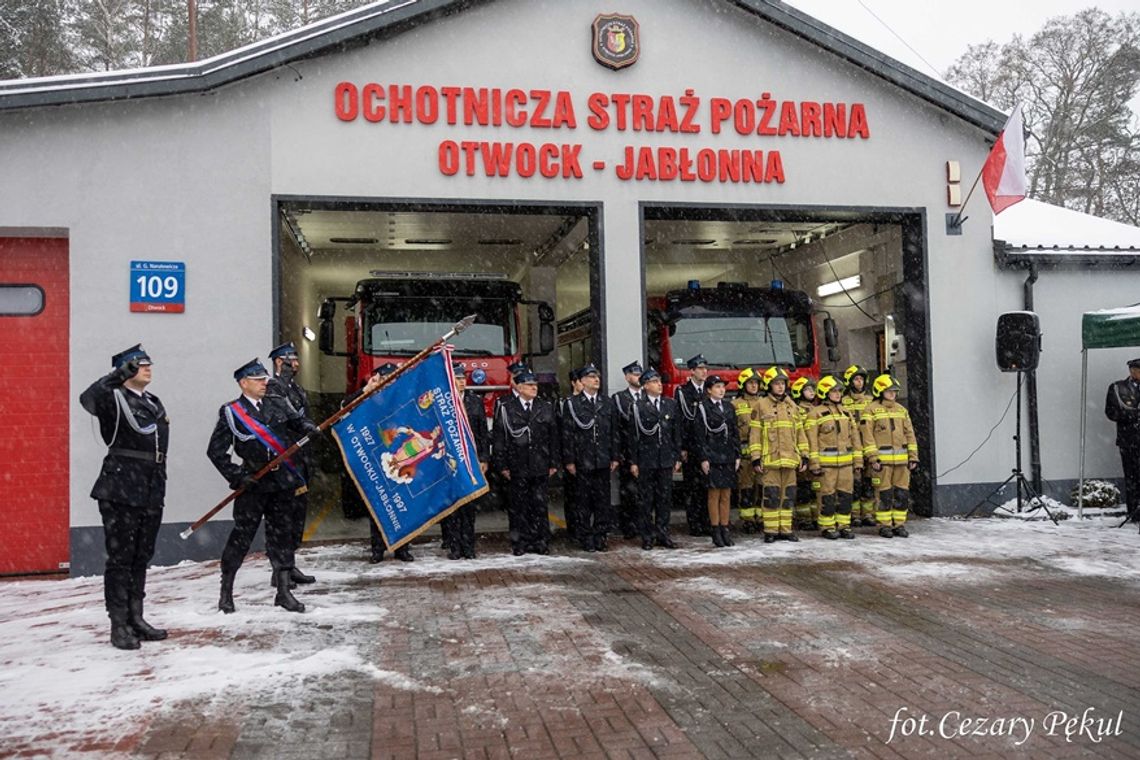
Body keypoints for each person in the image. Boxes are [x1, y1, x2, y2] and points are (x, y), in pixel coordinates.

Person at [208, 359, 319, 613]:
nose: (264, 383)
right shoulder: (232, 412)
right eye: (258, 380)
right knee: (242, 536)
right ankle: (226, 591)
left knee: (282, 535)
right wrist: (236, 476)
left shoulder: (277, 402)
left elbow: (296, 422)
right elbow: (215, 451)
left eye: (265, 379)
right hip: (254, 482)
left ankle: (283, 591)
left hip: (282, 482)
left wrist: (308, 428)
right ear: (243, 383)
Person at [79, 344, 170, 650]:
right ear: (125, 369)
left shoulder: (154, 402)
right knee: (121, 559)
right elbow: (87, 398)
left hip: (151, 487)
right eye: (139, 365)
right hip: (121, 487)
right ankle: (118, 624)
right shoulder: (113, 399)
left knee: (142, 556)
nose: (147, 368)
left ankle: (136, 617)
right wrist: (117, 376)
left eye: (148, 363)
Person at [344, 363, 415, 563]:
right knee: (378, 503)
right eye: (387, 377)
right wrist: (366, 390)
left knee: (402, 505)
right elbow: (345, 407)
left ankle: (403, 547)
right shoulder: (369, 398)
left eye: (394, 377)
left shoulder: (403, 397)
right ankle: (378, 548)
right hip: (375, 457)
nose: (391, 381)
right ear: (379, 378)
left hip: (398, 457)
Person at [265, 341, 316, 588]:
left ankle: (290, 563)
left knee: (297, 518)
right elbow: (283, 414)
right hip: (284, 459)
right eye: (290, 360)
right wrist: (283, 377)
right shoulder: (273, 386)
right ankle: (279, 570)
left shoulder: (296, 388)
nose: (296, 364)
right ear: (278, 362)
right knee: (281, 520)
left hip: (301, 458)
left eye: (296, 359)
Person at [492, 370, 559, 555]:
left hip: (540, 463)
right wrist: (502, 464)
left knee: (539, 505)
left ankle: (541, 541)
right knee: (518, 506)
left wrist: (554, 461)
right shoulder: (507, 407)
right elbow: (500, 438)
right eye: (530, 385)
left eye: (535, 385)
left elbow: (553, 436)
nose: (534, 388)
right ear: (519, 387)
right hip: (517, 464)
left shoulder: (545, 406)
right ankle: (520, 542)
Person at [562, 364, 620, 551]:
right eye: (591, 377)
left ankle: (601, 535)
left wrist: (614, 456)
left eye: (598, 377)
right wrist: (569, 459)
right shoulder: (573, 403)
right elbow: (567, 433)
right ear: (582, 381)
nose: (596, 380)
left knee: (602, 501)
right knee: (583, 501)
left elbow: (613, 432)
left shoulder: (607, 402)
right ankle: (585, 536)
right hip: (582, 458)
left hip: (602, 458)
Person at [750, 367, 808, 543]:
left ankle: (786, 529)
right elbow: (755, 434)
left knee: (788, 497)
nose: (780, 387)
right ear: (769, 385)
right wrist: (755, 457)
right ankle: (771, 531)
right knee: (771, 496)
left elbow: (800, 433)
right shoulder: (761, 405)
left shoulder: (792, 406)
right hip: (771, 460)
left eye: (782, 383)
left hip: (790, 460)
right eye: (777, 384)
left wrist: (804, 455)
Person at [626, 368, 682, 550]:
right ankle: (647, 535)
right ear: (646, 385)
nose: (659, 385)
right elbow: (633, 436)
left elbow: (676, 433)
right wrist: (633, 461)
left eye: (659, 381)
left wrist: (677, 456)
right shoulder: (637, 406)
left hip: (665, 458)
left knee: (664, 499)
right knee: (646, 500)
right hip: (646, 459)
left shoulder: (669, 404)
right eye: (655, 382)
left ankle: (663, 533)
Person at [860, 374, 918, 538]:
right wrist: (873, 458)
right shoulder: (870, 410)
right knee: (883, 494)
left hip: (902, 462)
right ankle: (884, 525)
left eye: (894, 391)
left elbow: (910, 435)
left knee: (901, 494)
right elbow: (867, 436)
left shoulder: (902, 410)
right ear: (880, 391)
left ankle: (899, 524)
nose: (892, 394)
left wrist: (913, 456)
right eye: (889, 391)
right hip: (882, 462)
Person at [442, 363, 490, 559]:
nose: (461, 382)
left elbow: (482, 433)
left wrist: (484, 457)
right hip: (450, 461)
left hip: (471, 460)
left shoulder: (474, 401)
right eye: (457, 379)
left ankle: (469, 546)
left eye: (463, 379)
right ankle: (454, 546)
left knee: (469, 506)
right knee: (453, 506)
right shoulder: (444, 402)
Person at [805, 375, 862, 540]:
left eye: (839, 391)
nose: (837, 394)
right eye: (833, 391)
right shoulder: (815, 414)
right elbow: (812, 441)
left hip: (846, 464)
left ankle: (844, 525)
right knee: (827, 496)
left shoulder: (846, 413)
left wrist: (858, 461)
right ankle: (827, 526)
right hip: (826, 466)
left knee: (846, 496)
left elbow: (855, 438)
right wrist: (814, 464)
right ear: (824, 393)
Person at [693, 376, 741, 547]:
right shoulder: (703, 408)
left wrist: (737, 454)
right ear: (709, 390)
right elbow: (699, 436)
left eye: (723, 387)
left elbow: (735, 432)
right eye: (717, 387)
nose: (721, 390)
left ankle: (725, 528)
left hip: (727, 454)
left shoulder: (728, 407)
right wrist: (703, 458)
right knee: (714, 494)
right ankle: (715, 529)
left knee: (726, 494)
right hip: (712, 455)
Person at [675, 354, 711, 535]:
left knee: (707, 486)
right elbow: (681, 421)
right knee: (692, 487)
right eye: (700, 368)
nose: (704, 372)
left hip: (707, 446)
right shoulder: (683, 392)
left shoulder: (709, 390)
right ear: (692, 371)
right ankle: (695, 524)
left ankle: (707, 522)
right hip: (691, 446)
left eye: (705, 368)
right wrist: (681, 447)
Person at [1104, 358, 1140, 523]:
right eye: (1134, 369)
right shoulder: (1118, 388)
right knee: (1132, 478)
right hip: (1129, 440)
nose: (1136, 372)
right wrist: (1132, 416)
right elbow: (1111, 412)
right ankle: (1134, 512)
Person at [612, 361, 644, 540]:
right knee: (628, 491)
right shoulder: (619, 398)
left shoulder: (647, 395)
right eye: (634, 374)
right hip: (627, 451)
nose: (638, 377)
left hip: (646, 452)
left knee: (645, 491)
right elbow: (617, 427)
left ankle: (643, 524)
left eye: (640, 374)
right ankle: (629, 526)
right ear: (627, 377)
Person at [732, 368, 764, 533]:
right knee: (746, 489)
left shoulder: (765, 403)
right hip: (744, 456)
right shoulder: (735, 405)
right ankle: (748, 520)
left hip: (762, 454)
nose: (754, 386)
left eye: (756, 383)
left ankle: (761, 518)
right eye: (750, 383)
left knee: (762, 487)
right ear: (743, 385)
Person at [842, 365, 875, 526]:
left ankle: (868, 514)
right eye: (856, 379)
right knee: (854, 483)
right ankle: (854, 514)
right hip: (852, 448)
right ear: (849, 381)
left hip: (869, 446)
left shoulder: (871, 401)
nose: (859, 382)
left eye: (861, 379)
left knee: (869, 483)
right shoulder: (842, 402)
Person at [790, 376, 821, 531]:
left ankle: (816, 516)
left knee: (815, 488)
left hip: (815, 454)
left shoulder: (816, 409)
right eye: (808, 390)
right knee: (803, 488)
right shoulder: (796, 410)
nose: (812, 392)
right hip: (803, 453)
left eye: (813, 390)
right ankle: (804, 518)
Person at [557, 368, 583, 545]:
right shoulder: (564, 403)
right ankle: (573, 528)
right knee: (573, 496)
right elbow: (561, 431)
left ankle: (583, 529)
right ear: (574, 383)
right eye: (580, 381)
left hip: (587, 458)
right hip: (571, 455)